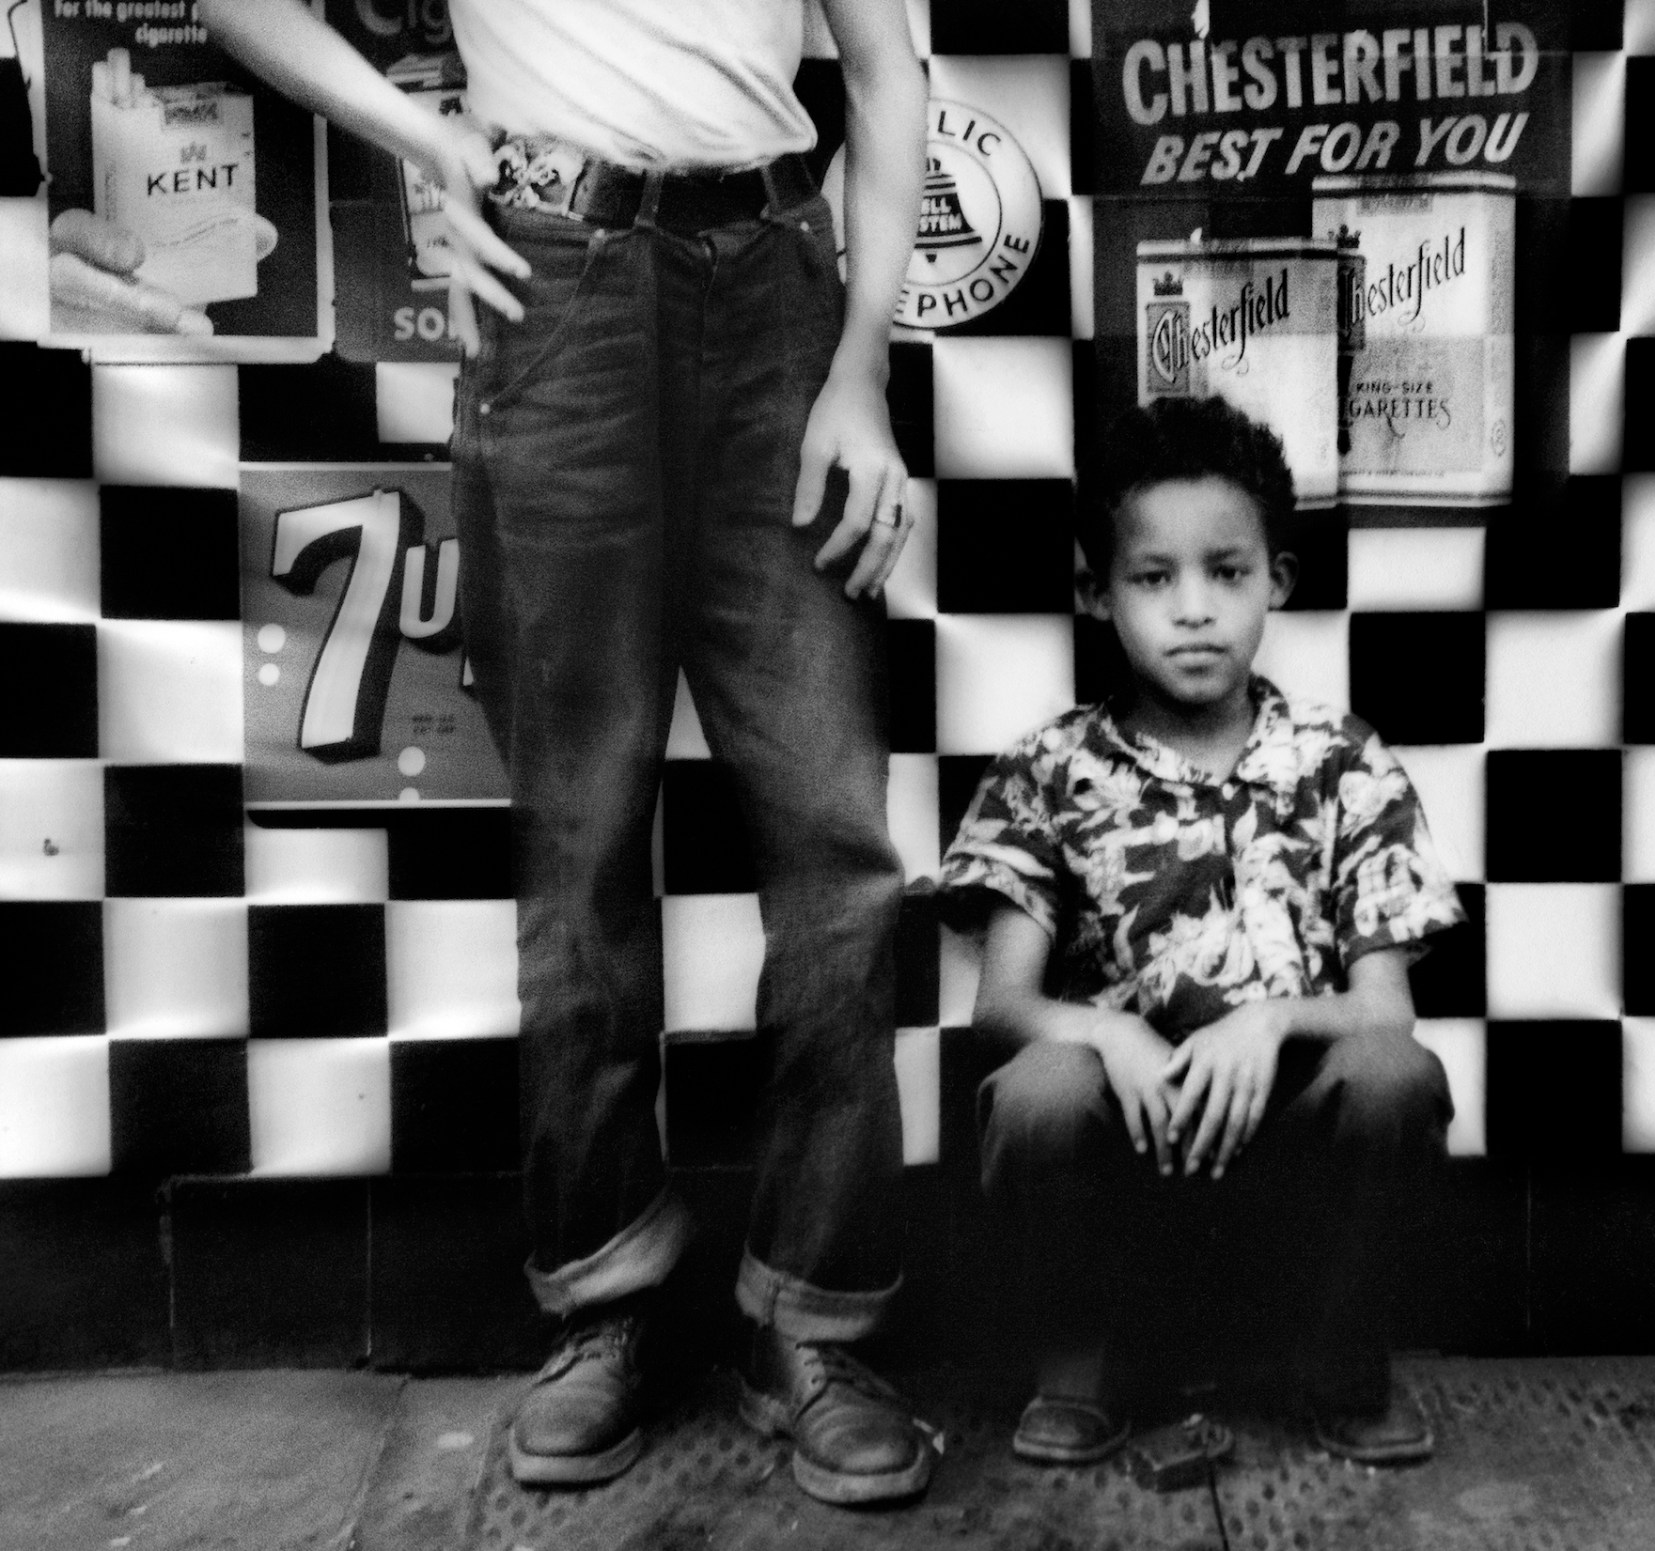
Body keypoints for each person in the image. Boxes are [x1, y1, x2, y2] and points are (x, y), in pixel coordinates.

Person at [205, 0, 931, 1505]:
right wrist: (431, 136)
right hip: (561, 277)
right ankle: (600, 1300)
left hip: (783, 286)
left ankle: (814, 1318)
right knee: (581, 836)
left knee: (841, 851)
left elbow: (882, 67)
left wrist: (862, 366)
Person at [938, 396, 1465, 1467]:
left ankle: (1341, 1363)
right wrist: (1112, 1037)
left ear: (1275, 581)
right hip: (1124, 1158)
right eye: (1151, 578)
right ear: (1095, 593)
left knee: (1392, 1075)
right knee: (1036, 1091)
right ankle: (1078, 1367)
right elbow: (1000, 1007)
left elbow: (1383, 1013)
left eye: (1225, 573)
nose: (1192, 610)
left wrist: (1271, 1020)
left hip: (1292, 1155)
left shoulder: (1340, 759)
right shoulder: (1049, 768)